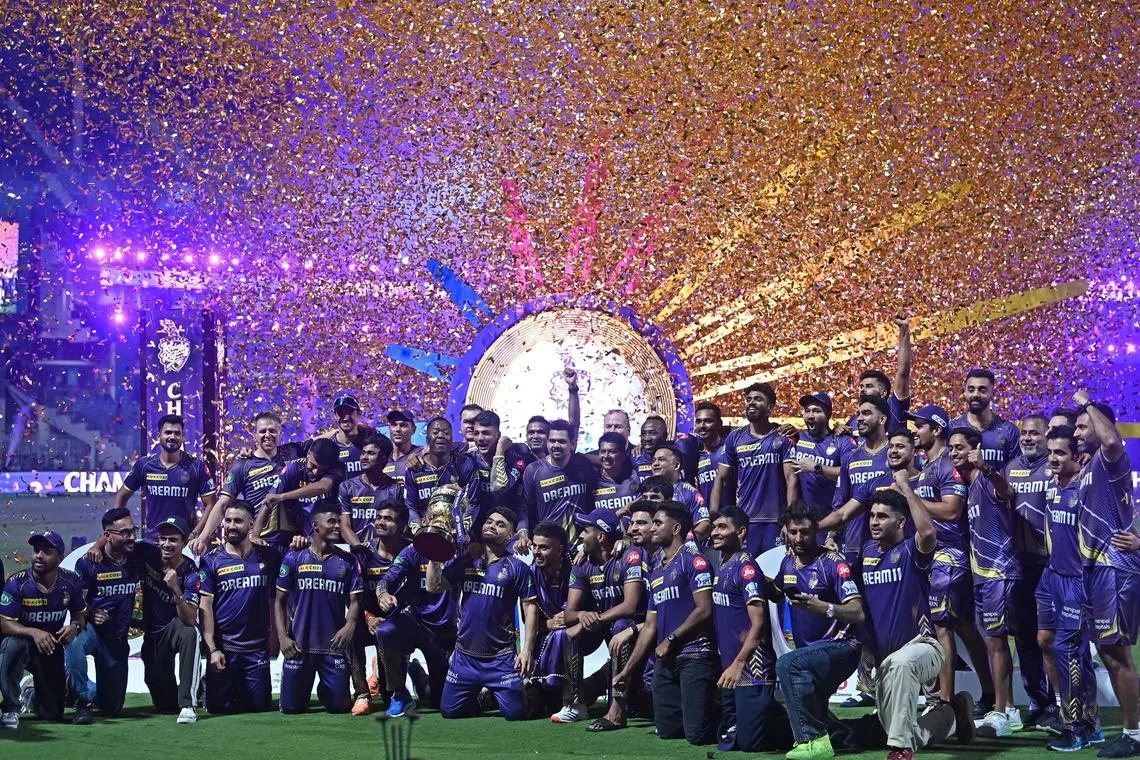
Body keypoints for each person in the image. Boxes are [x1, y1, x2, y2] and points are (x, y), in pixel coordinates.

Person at [865, 487, 976, 759]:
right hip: (885, 660)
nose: (874, 521)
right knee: (909, 731)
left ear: (901, 522)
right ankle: (953, 713)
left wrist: (906, 489)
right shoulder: (866, 553)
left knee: (902, 666)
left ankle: (900, 750)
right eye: (872, 516)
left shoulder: (912, 550)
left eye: (882, 516)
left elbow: (927, 533)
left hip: (923, 646)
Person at [906, 404, 993, 714]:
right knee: (963, 626)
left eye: (920, 426)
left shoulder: (946, 465)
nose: (915, 431)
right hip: (931, 554)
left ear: (936, 429)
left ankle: (945, 701)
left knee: (944, 625)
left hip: (950, 553)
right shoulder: (925, 465)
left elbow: (952, 510)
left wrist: (910, 496)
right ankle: (988, 691)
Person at [614, 503, 717, 745]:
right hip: (667, 660)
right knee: (668, 731)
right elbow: (650, 626)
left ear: (676, 528)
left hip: (695, 655)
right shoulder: (656, 570)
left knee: (697, 736)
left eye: (658, 523)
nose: (652, 528)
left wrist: (672, 639)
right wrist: (626, 672)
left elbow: (705, 609)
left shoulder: (694, 561)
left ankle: (722, 706)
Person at [1072, 392, 1140, 758]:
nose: (1078, 431)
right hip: (1098, 570)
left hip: (1116, 569)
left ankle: (1135, 732)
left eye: (1084, 425)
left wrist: (1087, 402)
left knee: (1118, 654)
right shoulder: (1090, 466)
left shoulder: (1110, 457)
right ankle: (1133, 729)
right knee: (1110, 653)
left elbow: (1112, 439)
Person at [776, 500, 866, 760]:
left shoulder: (834, 564)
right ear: (785, 532)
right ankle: (842, 735)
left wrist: (824, 607)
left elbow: (858, 613)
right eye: (793, 532)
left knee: (787, 665)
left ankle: (813, 740)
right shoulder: (788, 564)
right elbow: (777, 591)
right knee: (799, 689)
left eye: (804, 531)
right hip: (810, 652)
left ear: (815, 529)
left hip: (843, 647)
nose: (799, 537)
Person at [429, 508, 537, 721]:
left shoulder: (517, 568)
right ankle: (482, 697)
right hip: (465, 657)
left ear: (510, 535)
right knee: (449, 713)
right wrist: (434, 557)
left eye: (500, 524)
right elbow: (434, 586)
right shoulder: (466, 561)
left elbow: (530, 608)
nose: (491, 525)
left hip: (501, 658)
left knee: (515, 714)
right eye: (489, 521)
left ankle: (532, 691)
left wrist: (526, 651)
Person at [949, 427, 1021, 736]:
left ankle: (1002, 711)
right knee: (991, 639)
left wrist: (987, 467)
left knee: (996, 642)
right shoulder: (969, 484)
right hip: (982, 573)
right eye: (951, 447)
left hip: (998, 572)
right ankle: (1011, 708)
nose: (953, 452)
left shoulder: (988, 478)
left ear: (976, 449)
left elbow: (1008, 493)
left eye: (960, 447)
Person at [1036, 426, 1103, 751]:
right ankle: (1092, 724)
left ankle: (1074, 728)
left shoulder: (1087, 491)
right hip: (1052, 578)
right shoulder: (1053, 486)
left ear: (1078, 457)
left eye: (1060, 453)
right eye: (1050, 452)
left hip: (1078, 583)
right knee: (1065, 650)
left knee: (1068, 652)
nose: (1053, 459)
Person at [709, 507, 792, 753]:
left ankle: (808, 727)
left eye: (722, 527)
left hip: (751, 667)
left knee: (751, 745)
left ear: (742, 532)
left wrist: (738, 663)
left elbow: (758, 622)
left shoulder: (746, 569)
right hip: (730, 664)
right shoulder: (722, 564)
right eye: (713, 527)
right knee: (731, 739)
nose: (715, 532)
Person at [556, 509, 646, 727]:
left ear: (601, 536)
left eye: (585, 530)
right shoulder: (582, 564)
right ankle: (576, 705)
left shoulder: (629, 556)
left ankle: (617, 709)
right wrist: (582, 615)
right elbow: (568, 614)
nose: (579, 536)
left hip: (639, 628)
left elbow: (630, 606)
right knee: (568, 634)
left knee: (621, 627)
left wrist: (596, 618)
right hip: (603, 625)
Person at [274, 503, 362, 714]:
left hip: (333, 646)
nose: (337, 527)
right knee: (291, 708)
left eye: (338, 522)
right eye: (331, 521)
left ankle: (326, 689)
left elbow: (355, 601)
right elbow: (279, 601)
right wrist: (283, 638)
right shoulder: (294, 558)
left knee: (340, 707)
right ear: (315, 526)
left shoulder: (348, 561)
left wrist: (350, 624)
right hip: (299, 646)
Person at [199, 501, 281, 714]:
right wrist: (212, 649)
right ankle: (207, 683)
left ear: (251, 524)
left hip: (256, 650)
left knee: (259, 706)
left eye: (237, 521)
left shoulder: (268, 556)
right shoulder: (212, 560)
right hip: (224, 649)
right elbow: (205, 607)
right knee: (217, 708)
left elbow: (278, 598)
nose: (231, 526)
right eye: (227, 520)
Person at [0, 531, 86, 729]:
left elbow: (80, 615)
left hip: (50, 649)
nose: (39, 555)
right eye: (37, 550)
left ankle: (29, 693)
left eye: (47, 551)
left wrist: (74, 627)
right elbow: (5, 624)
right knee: (11, 645)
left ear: (60, 557)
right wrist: (33, 632)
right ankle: (11, 707)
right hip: (22, 646)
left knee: (51, 714)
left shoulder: (71, 581)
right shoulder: (17, 583)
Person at [65, 506, 142, 723]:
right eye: (125, 533)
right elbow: (74, 600)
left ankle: (71, 688)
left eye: (133, 530)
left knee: (112, 708)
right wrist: (89, 613)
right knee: (74, 640)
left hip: (116, 638)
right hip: (92, 630)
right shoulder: (89, 562)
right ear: (107, 535)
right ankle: (83, 700)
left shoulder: (137, 556)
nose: (132, 537)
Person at [1003, 413, 1056, 728]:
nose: (1027, 438)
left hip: (1051, 565)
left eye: (1034, 433)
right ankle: (1038, 701)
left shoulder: (1055, 467)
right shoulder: (1010, 469)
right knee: (1023, 637)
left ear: (1047, 436)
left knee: (1049, 637)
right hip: (1019, 566)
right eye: (1024, 433)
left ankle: (1064, 703)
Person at [712, 382, 798, 554]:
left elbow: (792, 479)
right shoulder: (735, 438)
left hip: (776, 521)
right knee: (746, 572)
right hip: (745, 521)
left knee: (772, 575)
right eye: (748, 399)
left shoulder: (783, 436)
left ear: (770, 407)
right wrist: (713, 516)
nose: (751, 402)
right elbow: (720, 479)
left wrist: (791, 520)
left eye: (758, 399)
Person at [190, 411, 285, 555]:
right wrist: (203, 537)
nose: (267, 435)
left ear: (280, 434)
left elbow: (320, 440)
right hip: (258, 540)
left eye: (272, 431)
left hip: (289, 541)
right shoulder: (242, 465)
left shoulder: (292, 454)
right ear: (255, 435)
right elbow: (222, 504)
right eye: (262, 431)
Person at [138, 516, 202, 723]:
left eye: (173, 540)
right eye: (163, 538)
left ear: (184, 543)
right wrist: (98, 545)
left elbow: (190, 618)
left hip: (174, 628)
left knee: (189, 632)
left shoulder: (190, 570)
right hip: (152, 634)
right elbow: (121, 542)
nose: (166, 544)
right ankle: (201, 687)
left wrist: (176, 588)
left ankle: (188, 705)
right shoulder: (148, 553)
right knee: (165, 705)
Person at [349, 498, 409, 716]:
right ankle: (362, 693)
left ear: (402, 526)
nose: (381, 522)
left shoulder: (411, 551)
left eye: (388, 519)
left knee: (387, 696)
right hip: (369, 620)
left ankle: (405, 676)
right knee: (350, 627)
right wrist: (368, 617)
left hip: (399, 625)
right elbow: (353, 597)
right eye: (379, 518)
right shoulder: (362, 554)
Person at [115, 413, 216, 540]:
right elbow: (121, 496)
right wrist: (123, 530)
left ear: (183, 437)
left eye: (177, 433)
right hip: (152, 542)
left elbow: (212, 504)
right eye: (168, 432)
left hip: (184, 543)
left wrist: (196, 534)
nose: (172, 437)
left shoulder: (197, 466)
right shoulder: (144, 465)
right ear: (159, 436)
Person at [818, 395, 893, 565]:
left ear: (882, 419)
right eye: (858, 414)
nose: (859, 418)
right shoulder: (850, 458)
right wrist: (831, 537)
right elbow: (840, 503)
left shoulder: (896, 453)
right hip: (853, 545)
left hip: (891, 544)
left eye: (866, 413)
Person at [252, 437, 344, 553]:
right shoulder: (293, 468)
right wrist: (255, 536)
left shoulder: (338, 467)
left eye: (322, 470)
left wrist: (284, 496)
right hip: (300, 537)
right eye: (313, 466)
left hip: (331, 535)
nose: (315, 472)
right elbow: (269, 501)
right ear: (308, 454)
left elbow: (323, 486)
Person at [519, 419, 597, 542]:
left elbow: (594, 503)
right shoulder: (534, 471)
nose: (556, 445)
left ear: (572, 444)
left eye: (561, 441)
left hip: (581, 543)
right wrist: (523, 534)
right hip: (548, 544)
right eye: (552, 441)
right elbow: (524, 509)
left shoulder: (584, 465)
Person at [527, 521, 574, 719]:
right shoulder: (529, 573)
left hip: (582, 629)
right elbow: (526, 616)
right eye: (535, 546)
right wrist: (548, 624)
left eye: (544, 547)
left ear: (560, 550)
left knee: (561, 634)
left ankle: (557, 691)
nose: (537, 552)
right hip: (545, 633)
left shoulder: (575, 566)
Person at [788, 392, 856, 525]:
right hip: (804, 519)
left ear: (829, 415)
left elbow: (850, 473)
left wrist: (817, 468)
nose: (810, 415)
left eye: (816, 411)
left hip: (835, 517)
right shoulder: (797, 438)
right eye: (807, 411)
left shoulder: (843, 441)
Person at [465, 410, 529, 542]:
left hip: (508, 534)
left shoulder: (515, 459)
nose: (480, 438)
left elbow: (498, 487)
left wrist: (500, 449)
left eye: (486, 433)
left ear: (498, 435)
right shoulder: (468, 460)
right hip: (476, 536)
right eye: (476, 433)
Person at [845, 315, 913, 436]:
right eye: (861, 387)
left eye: (869, 386)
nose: (862, 390)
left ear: (883, 393)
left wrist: (904, 330)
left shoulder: (894, 409)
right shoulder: (855, 420)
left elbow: (903, 371)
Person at [403, 416, 478, 525]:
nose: (441, 436)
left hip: (456, 532)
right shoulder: (415, 468)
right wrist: (418, 530)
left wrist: (462, 531)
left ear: (452, 438)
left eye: (446, 433)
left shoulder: (465, 464)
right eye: (435, 432)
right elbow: (411, 507)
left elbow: (473, 503)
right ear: (427, 438)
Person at [337, 433, 401, 547]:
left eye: (371, 453)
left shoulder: (395, 489)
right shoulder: (347, 487)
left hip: (385, 552)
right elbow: (344, 526)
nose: (364, 457)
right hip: (357, 551)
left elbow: (398, 527)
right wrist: (360, 548)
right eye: (363, 453)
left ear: (383, 458)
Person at [949, 369, 1021, 469]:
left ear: (993, 393)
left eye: (982, 390)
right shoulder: (952, 428)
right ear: (964, 392)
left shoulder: (1009, 431)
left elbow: (1016, 472)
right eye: (971, 390)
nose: (975, 394)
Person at [650, 445, 711, 541]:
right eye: (653, 460)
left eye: (661, 460)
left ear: (676, 465)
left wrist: (686, 543)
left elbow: (704, 524)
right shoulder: (647, 490)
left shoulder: (689, 492)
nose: (655, 464)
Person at [593, 431, 640, 514]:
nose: (606, 456)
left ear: (623, 455)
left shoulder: (636, 477)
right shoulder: (591, 481)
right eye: (603, 451)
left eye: (612, 452)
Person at [693, 401, 729, 505]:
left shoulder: (729, 449)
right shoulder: (694, 456)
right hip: (706, 517)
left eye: (708, 421)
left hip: (730, 516)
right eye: (698, 421)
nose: (702, 426)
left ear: (719, 424)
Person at [384, 408, 417, 488]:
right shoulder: (381, 458)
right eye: (394, 424)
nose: (398, 429)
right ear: (389, 428)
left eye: (403, 425)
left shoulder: (421, 454)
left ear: (413, 429)